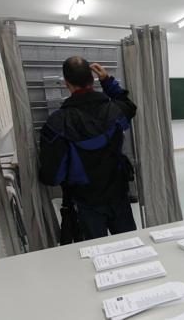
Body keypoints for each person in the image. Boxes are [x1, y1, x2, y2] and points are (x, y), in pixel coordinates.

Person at [39, 56, 137, 240]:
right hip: (118, 194)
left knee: (95, 254)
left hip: (86, 202)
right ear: (93, 80)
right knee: (130, 246)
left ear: (66, 84)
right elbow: (130, 107)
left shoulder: (57, 123)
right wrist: (107, 81)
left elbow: (52, 176)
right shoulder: (115, 111)